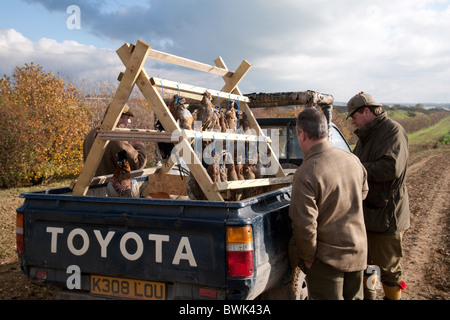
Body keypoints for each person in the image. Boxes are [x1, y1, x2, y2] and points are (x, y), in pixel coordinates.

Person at [288, 107, 369, 300]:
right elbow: (363, 193)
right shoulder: (353, 160)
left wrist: (308, 259)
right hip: (358, 254)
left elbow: (304, 226)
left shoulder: (306, 172)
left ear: (302, 134)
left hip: (327, 262)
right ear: (325, 131)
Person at [347, 92, 409, 300]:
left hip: (386, 215)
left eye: (354, 115)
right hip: (366, 213)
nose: (353, 120)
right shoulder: (365, 136)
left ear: (366, 111)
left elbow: (391, 167)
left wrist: (357, 169)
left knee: (389, 268)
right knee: (367, 263)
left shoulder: (393, 131)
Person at [83, 104, 147, 176]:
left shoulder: (91, 134)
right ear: (119, 119)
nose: (130, 122)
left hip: (93, 186)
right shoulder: (117, 137)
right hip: (111, 186)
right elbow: (136, 165)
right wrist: (139, 146)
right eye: (128, 118)